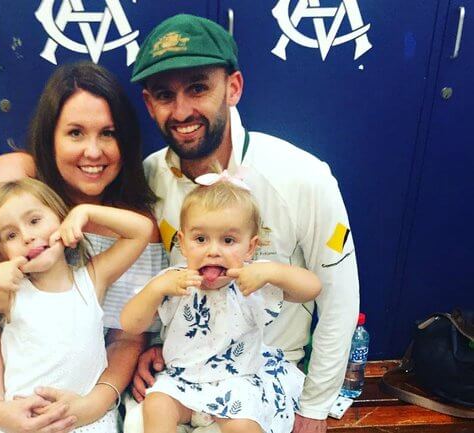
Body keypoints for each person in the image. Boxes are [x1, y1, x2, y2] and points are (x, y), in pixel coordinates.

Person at [127, 14, 360, 433]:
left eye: (198, 87)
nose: (182, 111)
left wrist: (316, 406)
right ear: (149, 104)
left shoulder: (302, 176)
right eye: (165, 95)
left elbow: (339, 297)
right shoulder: (150, 177)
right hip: (184, 374)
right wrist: (155, 346)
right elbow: (151, 288)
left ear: (232, 87)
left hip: (265, 377)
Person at [0, 62, 166, 433]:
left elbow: (126, 337)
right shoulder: (2, 187)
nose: (93, 152)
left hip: (83, 393)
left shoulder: (133, 223)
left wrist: (92, 404)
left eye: (108, 134)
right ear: (50, 136)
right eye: (75, 133)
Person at [0, 178, 153, 432]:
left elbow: (141, 231)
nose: (27, 236)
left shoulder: (92, 279)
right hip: (25, 420)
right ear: (2, 252)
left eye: (35, 221)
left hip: (81, 418)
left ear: (59, 219)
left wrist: (84, 213)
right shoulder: (10, 294)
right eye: (11, 235)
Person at [120, 176, 322, 433]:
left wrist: (272, 273)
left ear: (251, 247)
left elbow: (312, 287)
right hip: (183, 380)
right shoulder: (175, 281)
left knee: (245, 426)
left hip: (237, 382)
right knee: (156, 405)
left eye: (228, 241)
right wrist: (155, 290)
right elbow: (130, 323)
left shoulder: (252, 280)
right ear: (182, 243)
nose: (213, 251)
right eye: (200, 239)